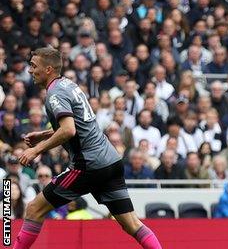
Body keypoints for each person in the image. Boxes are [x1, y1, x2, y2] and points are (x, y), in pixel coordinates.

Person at [16, 48, 161, 249]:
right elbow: (81, 125)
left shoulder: (54, 93)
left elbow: (68, 130)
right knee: (132, 224)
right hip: (110, 160)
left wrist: (36, 149)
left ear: (48, 69)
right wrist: (44, 133)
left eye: (34, 66)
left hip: (88, 164)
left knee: (34, 209)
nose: (30, 70)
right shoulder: (69, 85)